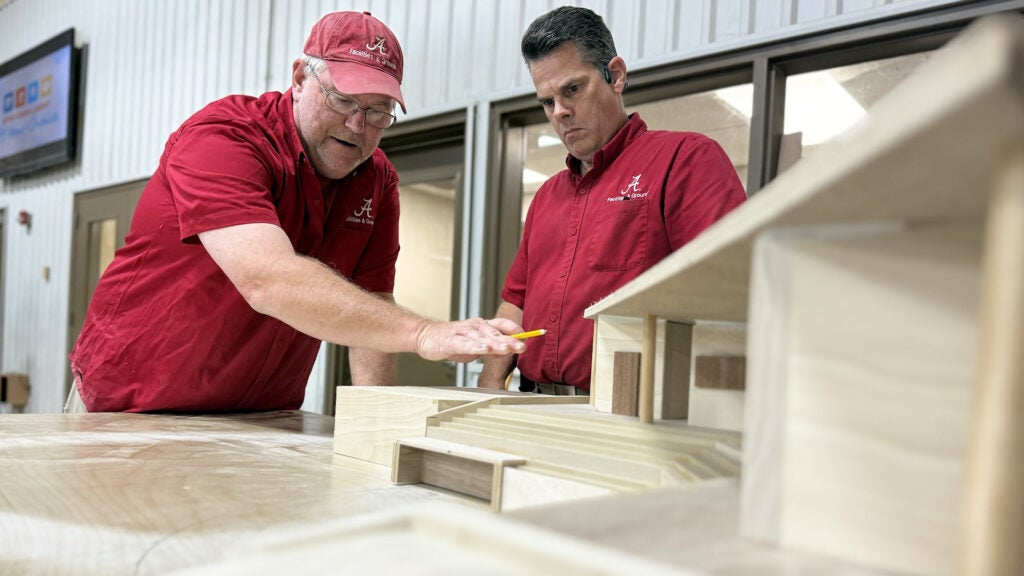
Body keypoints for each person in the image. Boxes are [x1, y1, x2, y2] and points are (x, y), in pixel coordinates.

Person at [68, 11, 525, 413]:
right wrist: (424, 334)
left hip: (261, 416)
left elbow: (374, 306)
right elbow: (267, 279)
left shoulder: (377, 180)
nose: (357, 124)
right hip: (131, 405)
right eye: (343, 100)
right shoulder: (225, 137)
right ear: (301, 79)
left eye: (378, 111)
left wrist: (375, 426)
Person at [479, 6, 746, 395]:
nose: (560, 112)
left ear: (616, 75)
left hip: (628, 406)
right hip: (532, 402)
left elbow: (728, 294)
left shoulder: (686, 160)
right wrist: (489, 384)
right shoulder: (546, 197)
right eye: (547, 102)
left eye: (572, 89)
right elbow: (514, 304)